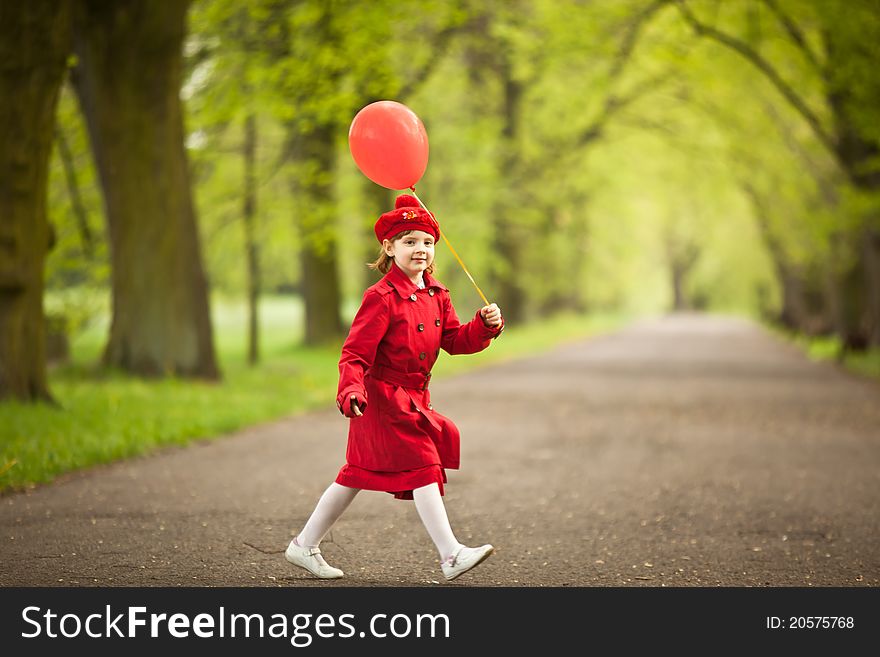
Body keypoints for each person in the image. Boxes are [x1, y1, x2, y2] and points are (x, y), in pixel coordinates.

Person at [285, 193, 504, 582]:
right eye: (409, 241)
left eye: (426, 242)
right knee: (424, 464)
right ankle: (451, 554)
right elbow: (354, 353)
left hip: (414, 397)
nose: (420, 249)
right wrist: (351, 390)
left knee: (354, 475)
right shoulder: (381, 297)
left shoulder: (438, 295)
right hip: (381, 398)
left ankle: (303, 545)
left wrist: (484, 326)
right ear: (389, 247)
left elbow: (454, 341)